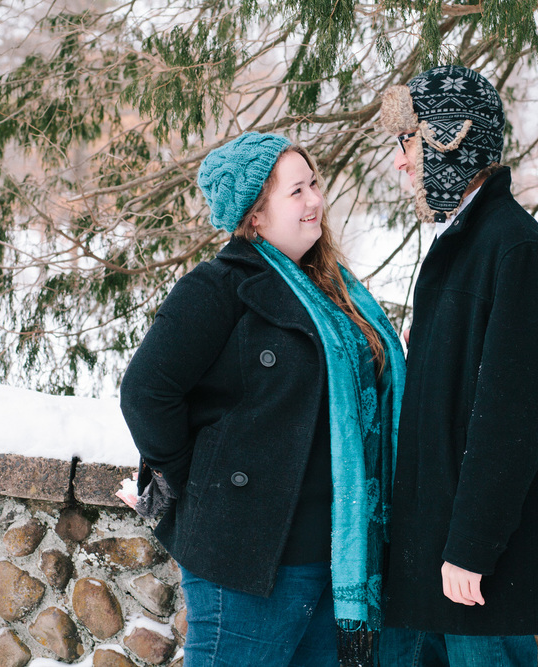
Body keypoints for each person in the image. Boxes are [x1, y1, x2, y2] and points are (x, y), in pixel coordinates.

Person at [119, 132, 405, 667]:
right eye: (296, 191)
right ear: (255, 215)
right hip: (250, 555)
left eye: (314, 184)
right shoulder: (217, 287)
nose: (315, 199)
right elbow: (145, 392)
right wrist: (200, 479)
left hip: (340, 554)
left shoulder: (337, 292)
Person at [375, 65, 538, 666]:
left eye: (408, 143)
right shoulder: (462, 242)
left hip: (479, 573)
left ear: (448, 141)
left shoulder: (515, 250)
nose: (400, 162)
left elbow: (512, 419)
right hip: (438, 560)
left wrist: (473, 547)